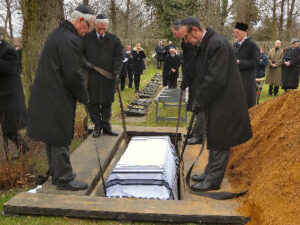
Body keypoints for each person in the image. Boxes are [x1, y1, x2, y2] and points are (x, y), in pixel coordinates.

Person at [27, 5, 95, 191]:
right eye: (88, 27)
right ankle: (65, 178)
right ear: (81, 20)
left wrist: (84, 63)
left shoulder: (59, 34)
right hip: (57, 95)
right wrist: (85, 97)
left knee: (52, 135)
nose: (87, 31)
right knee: (60, 136)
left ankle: (57, 175)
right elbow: (73, 74)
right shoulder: (70, 39)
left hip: (47, 93)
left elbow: (66, 60)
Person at [180, 17, 252, 191]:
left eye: (186, 37)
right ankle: (209, 173)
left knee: (220, 140)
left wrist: (199, 100)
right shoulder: (208, 44)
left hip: (226, 102)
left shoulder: (216, 44)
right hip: (217, 101)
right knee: (214, 138)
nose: (187, 42)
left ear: (195, 31)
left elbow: (215, 79)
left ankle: (213, 181)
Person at [82, 13, 123, 138]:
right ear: (95, 26)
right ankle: (97, 126)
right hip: (91, 76)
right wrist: (85, 63)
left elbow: (118, 57)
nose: (102, 31)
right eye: (99, 28)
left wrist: (116, 73)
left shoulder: (114, 40)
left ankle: (106, 126)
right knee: (92, 103)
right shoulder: (86, 38)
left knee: (107, 103)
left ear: (107, 27)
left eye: (104, 28)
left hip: (107, 77)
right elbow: (78, 54)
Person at [170, 19, 205, 145]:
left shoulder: (189, 42)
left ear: (181, 30)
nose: (174, 35)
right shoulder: (185, 42)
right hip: (194, 76)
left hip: (197, 76)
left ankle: (199, 135)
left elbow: (191, 63)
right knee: (195, 104)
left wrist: (184, 83)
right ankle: (196, 131)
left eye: (175, 32)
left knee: (199, 105)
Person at [0, 27, 28, 161]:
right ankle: (23, 148)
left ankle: (23, 148)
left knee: (9, 128)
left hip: (9, 97)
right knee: (6, 129)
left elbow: (8, 68)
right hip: (3, 96)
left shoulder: (8, 50)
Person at [233, 22, 259, 108]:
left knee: (248, 106)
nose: (235, 35)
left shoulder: (252, 45)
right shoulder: (234, 45)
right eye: (234, 33)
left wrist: (240, 62)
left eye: (238, 33)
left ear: (245, 33)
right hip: (236, 80)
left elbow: (255, 62)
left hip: (247, 81)